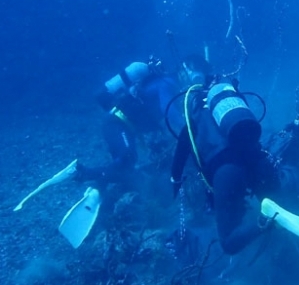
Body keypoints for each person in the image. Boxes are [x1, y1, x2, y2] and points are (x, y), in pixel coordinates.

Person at [170, 80, 299, 255]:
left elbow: (176, 171)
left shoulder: (191, 123)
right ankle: (290, 227)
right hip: (258, 160)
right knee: (280, 208)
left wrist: (175, 187)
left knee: (228, 243)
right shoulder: (233, 108)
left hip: (227, 172)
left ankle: (262, 224)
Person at [76, 54, 212, 189]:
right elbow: (169, 111)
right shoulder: (167, 84)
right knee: (125, 159)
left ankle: (98, 183)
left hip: (122, 126)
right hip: (117, 123)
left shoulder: (170, 85)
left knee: (127, 167)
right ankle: (84, 175)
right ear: (189, 70)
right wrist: (191, 131)